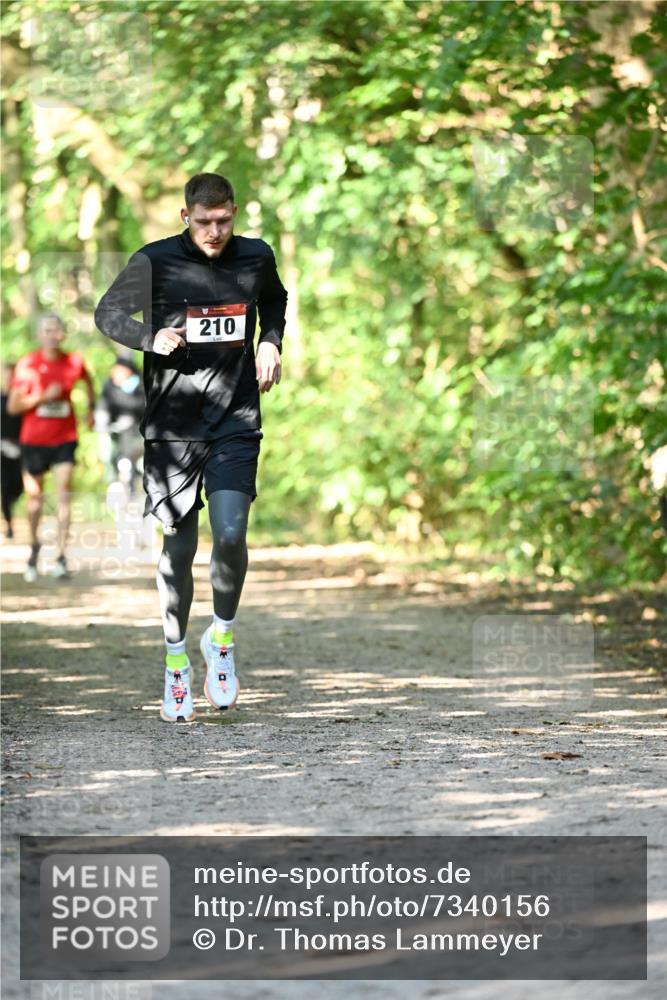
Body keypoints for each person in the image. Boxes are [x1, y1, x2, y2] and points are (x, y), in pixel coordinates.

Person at [94, 172, 287, 723]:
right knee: (178, 548)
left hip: (235, 420)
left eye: (223, 220)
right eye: (204, 221)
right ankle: (176, 661)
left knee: (231, 534)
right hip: (172, 429)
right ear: (186, 216)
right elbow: (108, 313)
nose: (214, 231)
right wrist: (148, 336)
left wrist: (270, 341)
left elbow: (275, 300)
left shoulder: (255, 256)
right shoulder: (155, 260)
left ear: (235, 213)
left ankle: (221, 639)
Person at [7, 314, 95, 581]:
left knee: (64, 495)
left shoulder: (74, 362)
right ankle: (34, 549)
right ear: (39, 334)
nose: (52, 335)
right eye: (46, 330)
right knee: (35, 500)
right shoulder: (28, 364)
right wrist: (42, 397)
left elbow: (89, 383)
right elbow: (13, 406)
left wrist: (91, 409)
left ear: (63, 334)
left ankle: (61, 556)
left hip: (65, 438)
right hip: (34, 440)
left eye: (56, 330)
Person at [95, 352, 146, 496]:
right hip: (116, 431)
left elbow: (142, 404)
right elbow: (103, 405)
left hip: (139, 431)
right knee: (107, 449)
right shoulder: (110, 385)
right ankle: (113, 478)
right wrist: (103, 421)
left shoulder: (141, 383)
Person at [1, 362, 24, 539]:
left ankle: (11, 503)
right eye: (6, 375)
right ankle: (9, 525)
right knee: (5, 486)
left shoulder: (21, 398)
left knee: (18, 487)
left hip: (21, 447)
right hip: (1, 448)